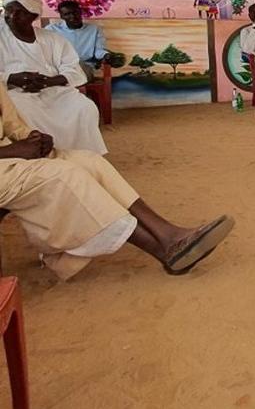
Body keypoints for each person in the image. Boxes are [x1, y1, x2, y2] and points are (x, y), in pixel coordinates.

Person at [0, 82, 234, 279]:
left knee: (91, 162)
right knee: (66, 176)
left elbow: (13, 125)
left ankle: (168, 233)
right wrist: (13, 151)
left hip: (11, 158)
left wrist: (35, 139)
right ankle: (164, 249)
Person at [0, 0, 107, 154]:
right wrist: (12, 78)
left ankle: (83, 154)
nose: (12, 16)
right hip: (12, 91)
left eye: (20, 12)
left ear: (33, 16)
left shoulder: (52, 38)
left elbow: (73, 69)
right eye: (9, 10)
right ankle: (42, 153)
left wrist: (47, 82)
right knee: (21, 110)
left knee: (84, 107)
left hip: (53, 88)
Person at [45, 0, 109, 81]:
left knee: (76, 69)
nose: (73, 17)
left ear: (80, 12)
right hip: (59, 67)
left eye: (75, 12)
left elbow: (99, 51)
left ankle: (54, 82)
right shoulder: (51, 30)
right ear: (61, 16)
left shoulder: (94, 29)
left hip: (83, 67)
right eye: (67, 14)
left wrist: (106, 55)